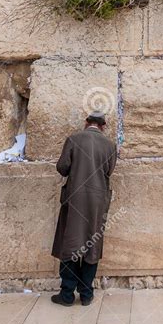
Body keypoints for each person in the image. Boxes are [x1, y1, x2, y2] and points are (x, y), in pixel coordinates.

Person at [50, 111, 117, 306]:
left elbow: (62, 167)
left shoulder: (74, 139)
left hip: (75, 199)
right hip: (97, 202)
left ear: (86, 122)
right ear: (103, 126)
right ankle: (86, 294)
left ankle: (67, 294)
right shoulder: (110, 145)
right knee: (92, 244)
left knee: (70, 244)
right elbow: (109, 171)